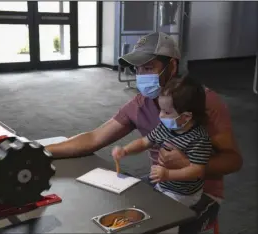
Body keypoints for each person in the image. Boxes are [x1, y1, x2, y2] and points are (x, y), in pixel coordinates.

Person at [45, 32, 243, 233]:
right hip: (161, 182)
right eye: (137, 69)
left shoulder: (205, 102)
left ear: (172, 67)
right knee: (111, 216)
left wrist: (188, 165)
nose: (141, 76)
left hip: (199, 192)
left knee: (154, 228)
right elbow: (95, 138)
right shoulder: (141, 104)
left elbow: (233, 160)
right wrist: (38, 150)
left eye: (148, 68)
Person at [112, 75, 213, 208]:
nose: (160, 116)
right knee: (133, 196)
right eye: (161, 110)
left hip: (183, 194)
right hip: (162, 183)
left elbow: (197, 171)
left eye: (166, 112)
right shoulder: (164, 127)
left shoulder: (198, 139)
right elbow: (144, 142)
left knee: (157, 211)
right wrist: (125, 150)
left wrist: (168, 174)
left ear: (186, 116)